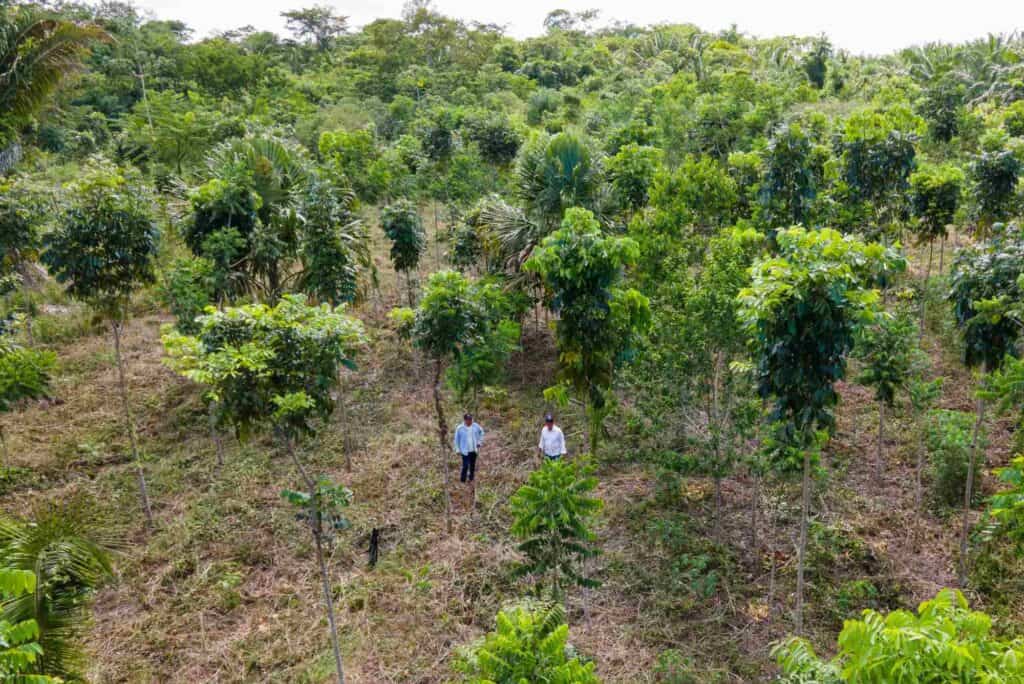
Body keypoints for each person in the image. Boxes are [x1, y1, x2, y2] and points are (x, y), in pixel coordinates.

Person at [453, 413, 484, 484]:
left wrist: (479, 442)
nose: (470, 421)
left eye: (471, 419)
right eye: (468, 420)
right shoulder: (460, 428)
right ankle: (462, 480)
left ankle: (471, 478)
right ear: (464, 420)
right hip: (465, 451)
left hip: (474, 450)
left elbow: (482, 432)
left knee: (472, 465)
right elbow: (456, 440)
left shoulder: (475, 426)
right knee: (465, 465)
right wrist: (457, 449)